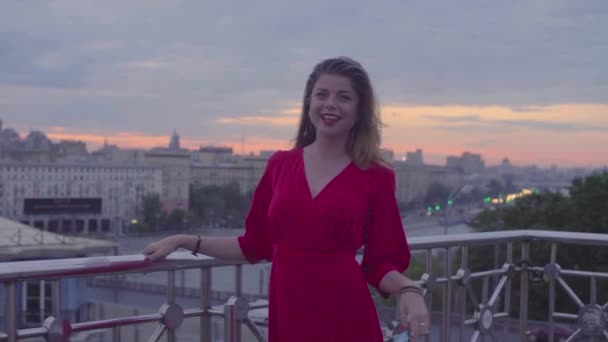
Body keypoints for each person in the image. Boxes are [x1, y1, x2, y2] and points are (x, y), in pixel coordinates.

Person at [143, 56, 430, 341]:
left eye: (344, 97)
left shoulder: (376, 176)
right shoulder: (280, 165)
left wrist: (409, 289)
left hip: (346, 316)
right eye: (322, 94)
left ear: (359, 111)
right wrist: (182, 240)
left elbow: (379, 264)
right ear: (309, 103)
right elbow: (253, 245)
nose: (330, 103)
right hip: (290, 315)